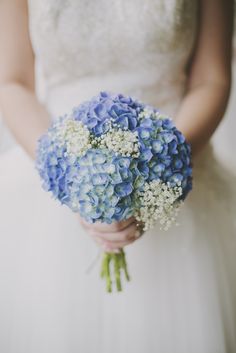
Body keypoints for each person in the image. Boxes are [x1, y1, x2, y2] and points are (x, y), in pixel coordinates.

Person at [0, 0, 235, 352]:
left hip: (177, 168)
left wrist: (158, 176)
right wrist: (70, 178)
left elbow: (212, 79)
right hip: (52, 168)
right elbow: (12, 82)